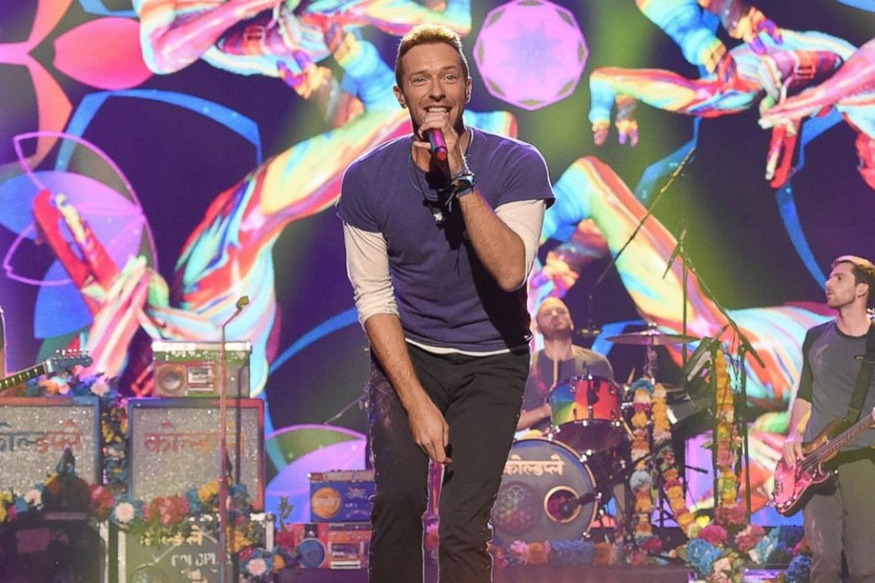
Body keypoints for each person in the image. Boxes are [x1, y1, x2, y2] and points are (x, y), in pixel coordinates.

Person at [336, 23, 553, 583]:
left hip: (494, 359)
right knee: (400, 503)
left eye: (449, 77)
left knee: (463, 526)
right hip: (410, 355)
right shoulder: (366, 180)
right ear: (400, 94)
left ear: (467, 88)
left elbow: (510, 271)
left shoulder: (518, 163)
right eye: (420, 80)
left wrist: (460, 176)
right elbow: (373, 295)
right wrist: (416, 402)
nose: (435, 91)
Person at [782, 255, 875, 583]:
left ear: (861, 289)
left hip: (864, 460)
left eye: (839, 278)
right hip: (815, 462)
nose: (828, 283)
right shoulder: (815, 337)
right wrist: (793, 436)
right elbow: (805, 395)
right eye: (830, 277)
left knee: (866, 565)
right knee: (824, 561)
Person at [517, 296, 614, 434]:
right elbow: (510, 422)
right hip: (544, 445)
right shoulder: (527, 367)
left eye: (561, 311)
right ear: (537, 328)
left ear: (572, 323)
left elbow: (611, 412)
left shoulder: (597, 363)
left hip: (590, 441)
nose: (555, 315)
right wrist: (544, 411)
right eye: (547, 313)